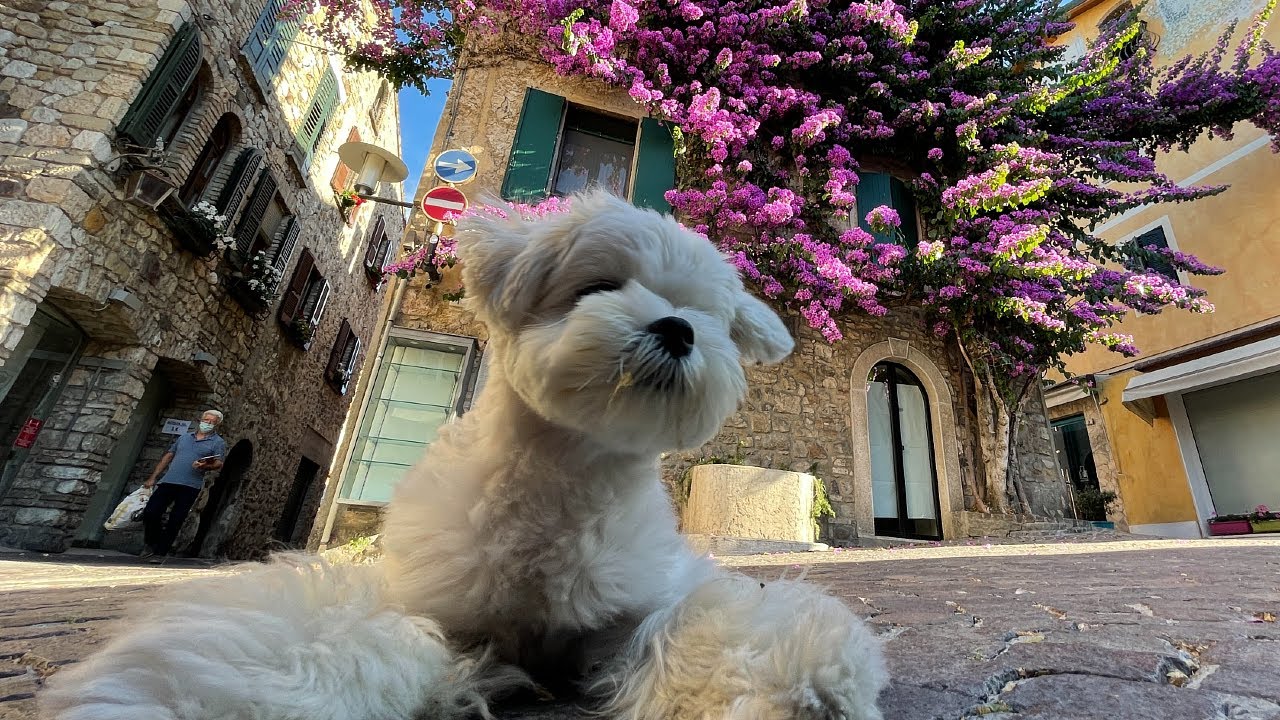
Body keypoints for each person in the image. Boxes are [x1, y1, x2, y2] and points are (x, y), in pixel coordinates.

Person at [140, 410, 227, 563]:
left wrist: (205, 466)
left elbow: (219, 463)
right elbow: (168, 456)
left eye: (212, 422)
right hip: (168, 481)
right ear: (200, 419)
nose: (207, 423)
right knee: (151, 511)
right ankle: (152, 543)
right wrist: (153, 477)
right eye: (206, 420)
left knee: (176, 519)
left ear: (216, 424)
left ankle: (160, 553)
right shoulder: (184, 437)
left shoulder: (217, 442)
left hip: (190, 486)